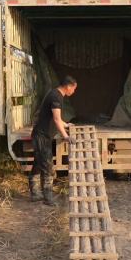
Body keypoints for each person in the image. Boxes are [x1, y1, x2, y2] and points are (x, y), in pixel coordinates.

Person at [29, 76, 78, 206]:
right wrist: (66, 136)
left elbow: (56, 118)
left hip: (42, 135)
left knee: (38, 164)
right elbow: (56, 119)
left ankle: (35, 193)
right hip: (41, 136)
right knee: (47, 166)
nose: (74, 92)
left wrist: (66, 125)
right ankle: (48, 197)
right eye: (74, 89)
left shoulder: (55, 94)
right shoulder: (56, 97)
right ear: (68, 86)